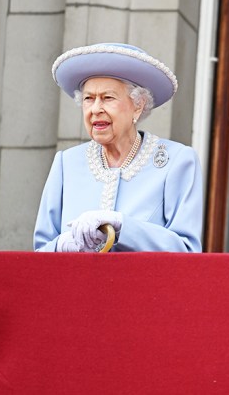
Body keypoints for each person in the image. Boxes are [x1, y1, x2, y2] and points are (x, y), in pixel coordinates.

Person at [33, 42, 204, 252]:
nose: (95, 109)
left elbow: (186, 249)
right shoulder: (66, 163)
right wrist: (63, 245)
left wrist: (123, 226)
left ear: (138, 105)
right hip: (76, 284)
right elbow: (40, 252)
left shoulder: (176, 161)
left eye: (107, 98)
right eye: (88, 99)